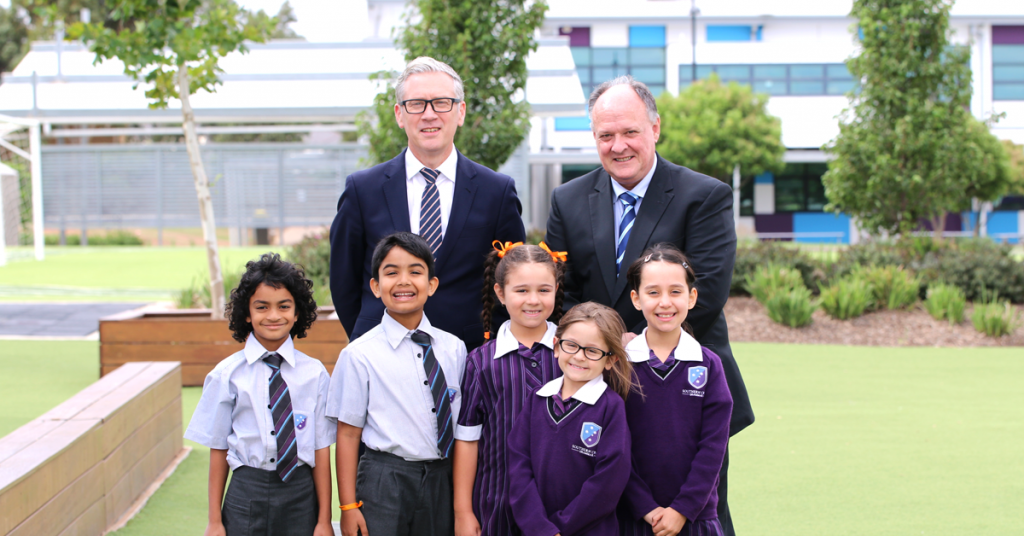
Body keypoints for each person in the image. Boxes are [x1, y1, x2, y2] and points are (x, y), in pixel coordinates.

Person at [544, 75, 754, 535]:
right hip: (599, 385)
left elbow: (709, 290)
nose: (618, 145)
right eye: (605, 135)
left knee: (695, 509)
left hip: (684, 392)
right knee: (608, 511)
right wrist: (604, 347)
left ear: (655, 128)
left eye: (630, 132)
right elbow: (563, 294)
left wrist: (635, 341)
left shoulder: (705, 196)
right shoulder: (568, 199)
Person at [330, 56, 526, 351]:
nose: (429, 114)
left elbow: (511, 278)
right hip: (381, 352)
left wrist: (490, 347)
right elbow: (343, 281)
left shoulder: (496, 191)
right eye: (417, 104)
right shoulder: (362, 190)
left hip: (469, 354)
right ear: (399, 114)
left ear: (460, 112)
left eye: (442, 103)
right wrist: (369, 338)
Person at [184, 253, 335, 536]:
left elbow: (320, 449)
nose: (274, 315)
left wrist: (323, 520)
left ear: (297, 311)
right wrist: (215, 521)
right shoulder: (226, 374)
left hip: (301, 494)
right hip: (246, 493)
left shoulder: (315, 374)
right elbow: (218, 449)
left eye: (284, 306)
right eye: (262, 307)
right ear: (246, 313)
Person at [328, 232, 468, 536]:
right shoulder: (359, 354)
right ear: (376, 287)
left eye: (415, 272)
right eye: (391, 272)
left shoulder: (454, 348)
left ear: (431, 285)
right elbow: (349, 434)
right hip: (384, 480)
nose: (404, 281)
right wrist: (348, 507)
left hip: (443, 477)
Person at [453, 241, 568, 536]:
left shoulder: (573, 354)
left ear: (557, 288)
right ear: (501, 293)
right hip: (496, 504)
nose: (533, 300)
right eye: (521, 290)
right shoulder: (480, 362)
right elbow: (467, 440)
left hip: (564, 505)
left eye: (544, 290)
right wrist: (463, 511)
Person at [619, 245, 732, 536]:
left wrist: (682, 509)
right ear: (636, 298)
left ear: (691, 297)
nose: (664, 303)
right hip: (632, 517)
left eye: (676, 291)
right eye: (653, 292)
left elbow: (714, 447)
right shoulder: (619, 366)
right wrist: (644, 506)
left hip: (695, 518)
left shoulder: (709, 366)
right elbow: (613, 446)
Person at [508, 302, 634, 536]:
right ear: (556, 346)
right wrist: (540, 527)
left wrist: (561, 528)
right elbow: (519, 468)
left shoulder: (611, 408)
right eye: (572, 345)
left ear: (610, 359)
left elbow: (608, 482)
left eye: (592, 350)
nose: (579, 356)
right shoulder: (536, 399)